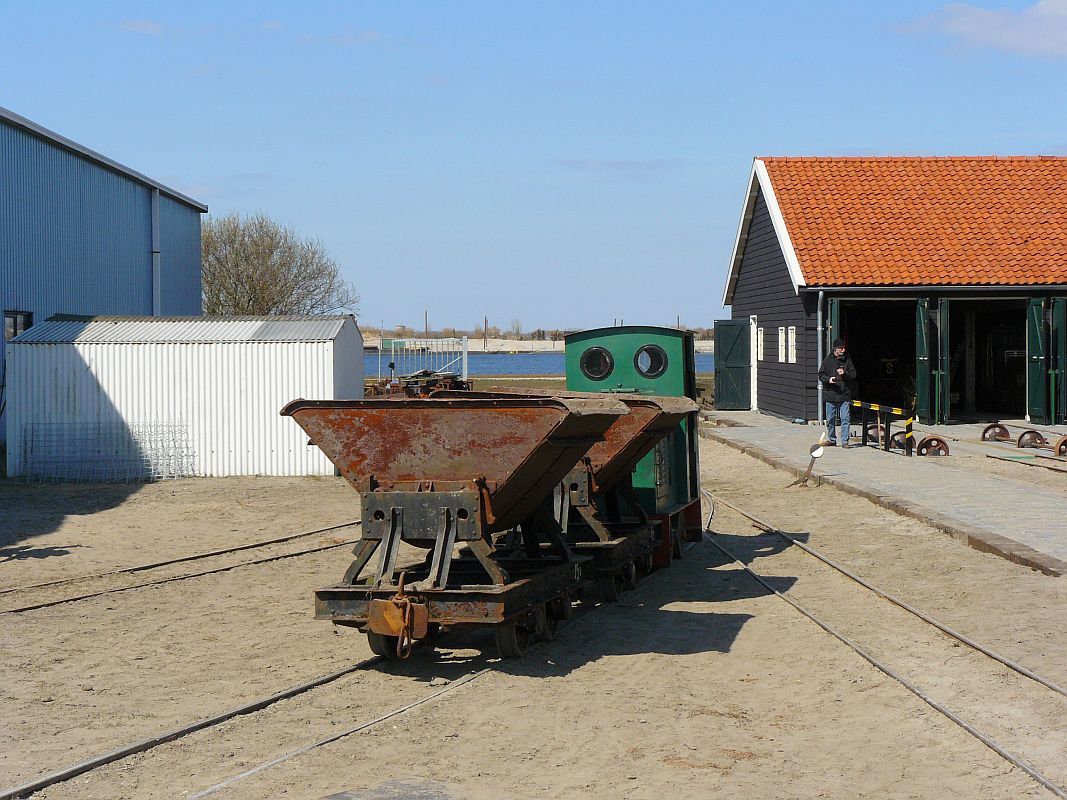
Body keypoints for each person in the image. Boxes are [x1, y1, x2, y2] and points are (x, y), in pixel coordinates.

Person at [819, 338, 857, 447]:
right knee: (830, 419)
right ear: (835, 349)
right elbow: (821, 375)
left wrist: (844, 374)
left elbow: (853, 375)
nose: (843, 350)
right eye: (841, 348)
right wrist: (829, 380)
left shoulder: (847, 360)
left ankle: (845, 442)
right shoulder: (827, 361)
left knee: (845, 418)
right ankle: (832, 439)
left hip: (844, 393)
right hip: (831, 393)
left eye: (844, 348)